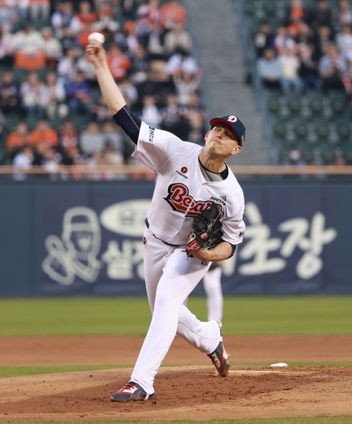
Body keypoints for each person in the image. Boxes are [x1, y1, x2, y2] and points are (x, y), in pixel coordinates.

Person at [85, 39, 246, 402]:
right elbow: (123, 117)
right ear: (207, 133)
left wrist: (207, 255)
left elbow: (230, 243)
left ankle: (142, 381)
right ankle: (210, 338)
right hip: (154, 241)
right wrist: (101, 67)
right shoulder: (174, 150)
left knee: (169, 297)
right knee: (163, 308)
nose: (220, 135)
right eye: (217, 129)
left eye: (228, 136)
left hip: (190, 253)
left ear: (235, 150)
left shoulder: (232, 195)